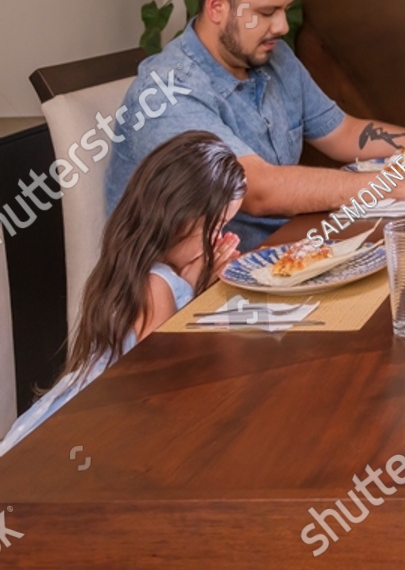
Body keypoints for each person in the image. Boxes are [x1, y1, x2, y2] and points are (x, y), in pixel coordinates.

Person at [104, 0, 405, 250]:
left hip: (277, 254)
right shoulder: (168, 90)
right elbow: (257, 189)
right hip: (183, 298)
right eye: (265, 12)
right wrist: (400, 184)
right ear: (217, 7)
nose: (280, 25)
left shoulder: (270, 55)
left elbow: (342, 132)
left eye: (284, 9)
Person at [1, 132, 245, 455]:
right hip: (70, 444)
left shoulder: (142, 270)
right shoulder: (156, 286)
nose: (220, 238)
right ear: (179, 219)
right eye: (215, 227)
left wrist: (196, 283)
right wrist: (197, 291)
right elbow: (165, 384)